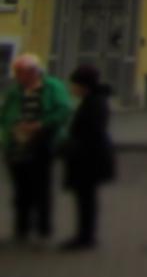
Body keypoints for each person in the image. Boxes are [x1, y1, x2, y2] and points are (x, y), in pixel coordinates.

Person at [1, 54, 72, 244]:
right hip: (16, 144)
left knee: (41, 187)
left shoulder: (52, 87)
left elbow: (63, 110)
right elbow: (5, 114)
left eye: (20, 72)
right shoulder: (16, 91)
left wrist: (39, 124)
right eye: (16, 72)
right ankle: (21, 229)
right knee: (20, 189)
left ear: (33, 72)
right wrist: (10, 130)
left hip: (42, 142)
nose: (17, 76)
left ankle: (43, 229)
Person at [60, 64, 115, 251]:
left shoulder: (94, 103)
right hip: (89, 157)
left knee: (86, 199)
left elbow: (91, 133)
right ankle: (85, 235)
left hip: (89, 159)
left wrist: (70, 147)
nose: (72, 88)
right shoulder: (92, 101)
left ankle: (85, 237)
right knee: (86, 198)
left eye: (74, 84)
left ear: (84, 85)